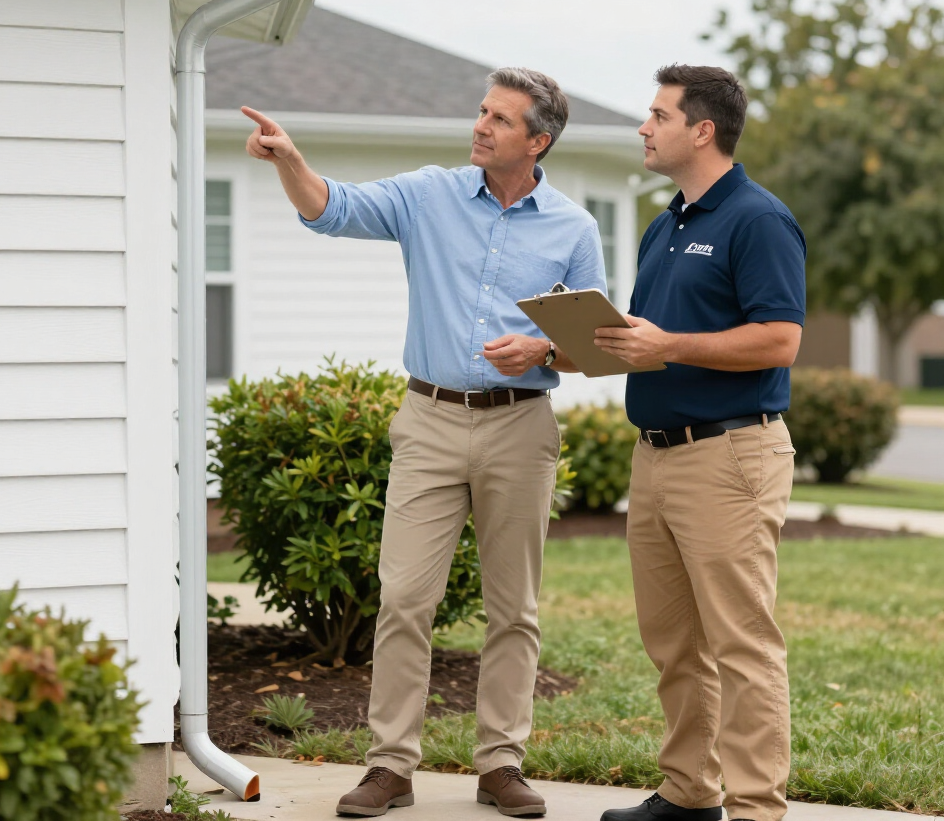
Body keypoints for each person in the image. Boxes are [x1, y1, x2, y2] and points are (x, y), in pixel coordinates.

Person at [242, 67, 606, 818]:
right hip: (430, 420)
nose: (480, 125)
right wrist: (290, 162)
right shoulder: (429, 194)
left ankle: (501, 763)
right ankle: (390, 767)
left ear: (537, 140)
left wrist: (540, 351)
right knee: (405, 597)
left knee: (515, 607)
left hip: (520, 425)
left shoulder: (573, 228)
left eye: (500, 119)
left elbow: (590, 348)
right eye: (481, 111)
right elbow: (331, 209)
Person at [593, 65, 805, 821]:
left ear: (702, 129)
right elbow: (651, 340)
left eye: (658, 115)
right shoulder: (666, 224)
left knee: (742, 644)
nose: (645, 128)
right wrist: (566, 343)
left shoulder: (757, 219)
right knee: (673, 643)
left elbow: (780, 339)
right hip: (653, 456)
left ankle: (755, 810)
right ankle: (689, 793)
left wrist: (671, 346)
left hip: (729, 457)